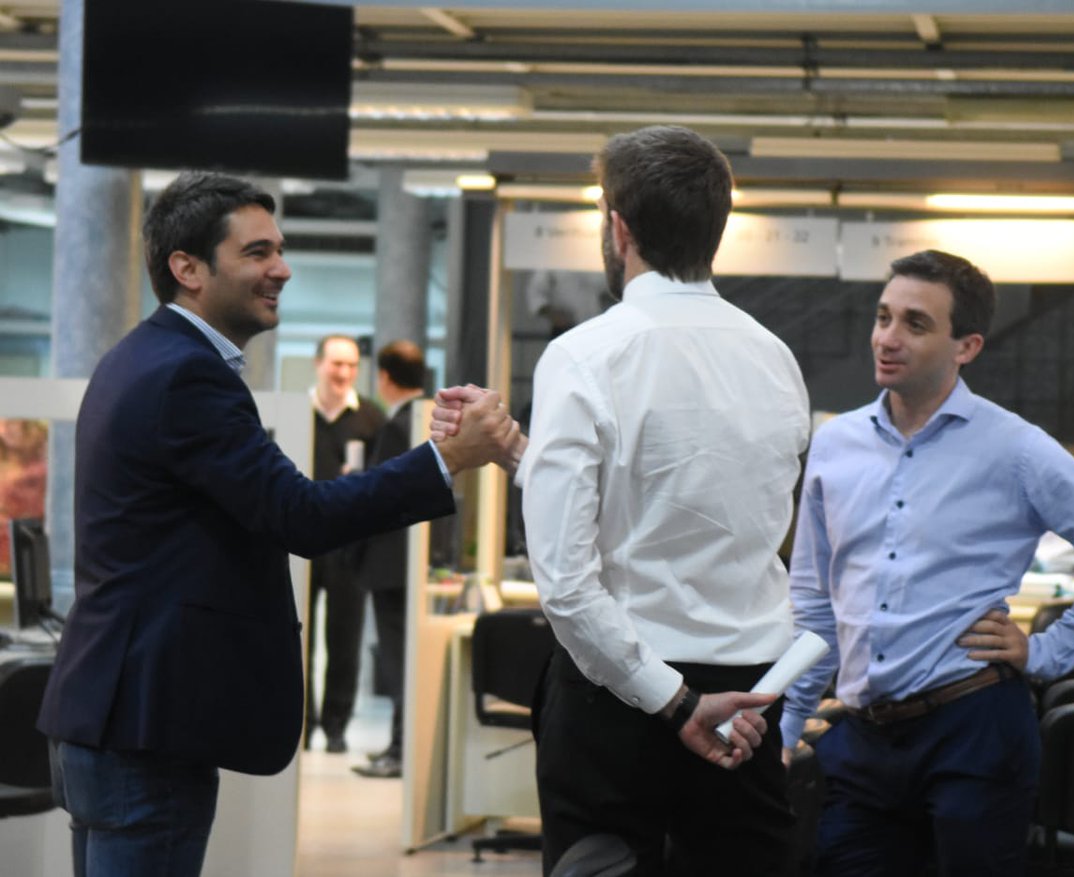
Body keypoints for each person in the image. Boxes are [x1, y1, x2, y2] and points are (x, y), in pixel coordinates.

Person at [36, 171, 518, 877]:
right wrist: (446, 459)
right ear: (188, 268)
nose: (281, 269)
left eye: (280, 249)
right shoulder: (186, 375)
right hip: (145, 725)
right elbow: (301, 515)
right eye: (258, 252)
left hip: (117, 712)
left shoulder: (143, 356)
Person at [437, 125, 812, 876]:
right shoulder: (775, 358)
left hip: (621, 701)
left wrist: (670, 702)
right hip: (747, 697)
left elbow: (570, 584)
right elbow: (691, 503)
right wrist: (526, 457)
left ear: (618, 227)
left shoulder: (586, 355)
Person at [781, 249, 1074, 876]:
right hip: (860, 739)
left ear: (966, 347)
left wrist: (1047, 653)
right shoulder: (833, 444)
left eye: (915, 323)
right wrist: (790, 716)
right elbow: (814, 604)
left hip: (973, 730)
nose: (888, 337)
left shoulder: (1014, 448)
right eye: (883, 317)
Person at [350, 339, 427, 779]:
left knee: (399, 664)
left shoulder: (398, 426)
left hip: (391, 567)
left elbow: (379, 497)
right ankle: (401, 746)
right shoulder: (428, 416)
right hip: (410, 566)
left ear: (383, 377)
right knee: (404, 662)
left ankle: (400, 749)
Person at [305, 333, 385, 753]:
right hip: (297, 542)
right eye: (336, 364)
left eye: (351, 365)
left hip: (350, 547)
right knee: (296, 637)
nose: (343, 373)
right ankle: (302, 725)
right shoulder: (297, 412)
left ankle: (336, 726)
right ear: (318, 364)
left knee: (345, 639)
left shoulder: (371, 418)